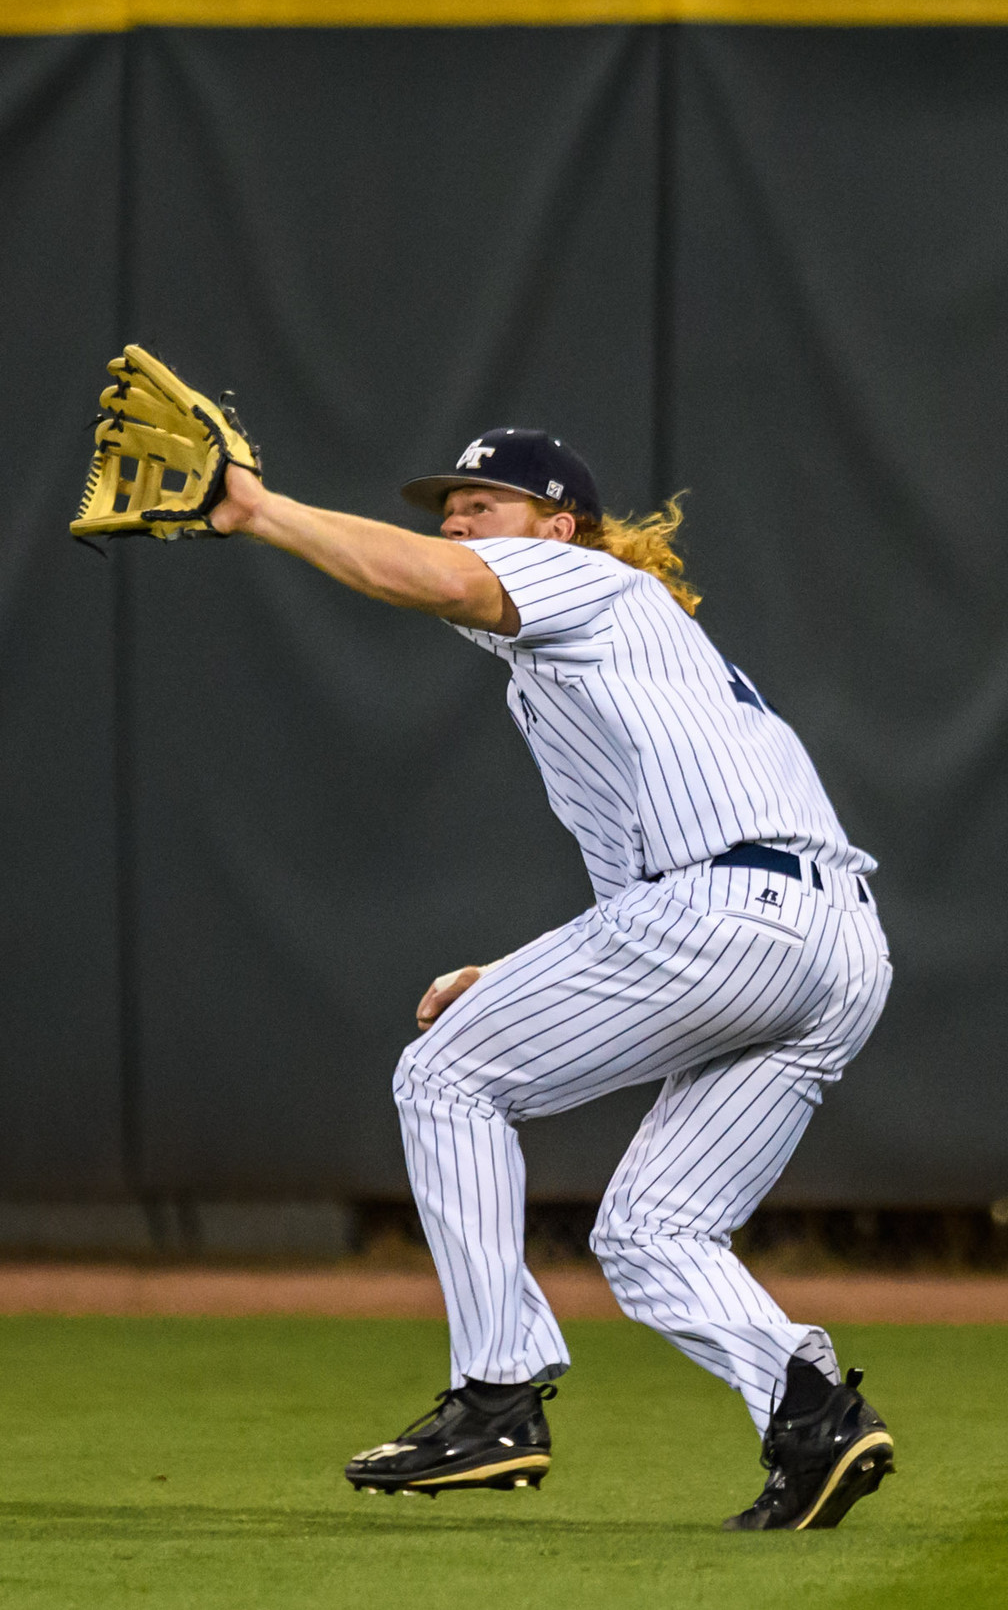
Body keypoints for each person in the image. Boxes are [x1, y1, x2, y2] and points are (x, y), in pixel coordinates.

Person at [204, 426, 897, 1531]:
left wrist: (259, 509)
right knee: (653, 1230)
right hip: (833, 945)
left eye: (485, 502)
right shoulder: (577, 676)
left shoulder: (588, 583)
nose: (458, 520)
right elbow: (637, 896)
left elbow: (424, 580)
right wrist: (516, 971)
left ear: (558, 526)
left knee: (444, 1080)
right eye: (451, 503)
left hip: (732, 917)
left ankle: (496, 1396)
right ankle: (810, 1413)